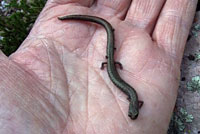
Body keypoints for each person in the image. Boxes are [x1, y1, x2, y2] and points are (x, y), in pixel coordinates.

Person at [0, 0, 197, 133]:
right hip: (111, 62)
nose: (133, 114)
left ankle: (98, 32)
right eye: (133, 113)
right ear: (134, 106)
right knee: (110, 49)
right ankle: (84, 23)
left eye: (132, 114)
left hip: (112, 63)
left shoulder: (134, 99)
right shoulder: (134, 99)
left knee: (111, 53)